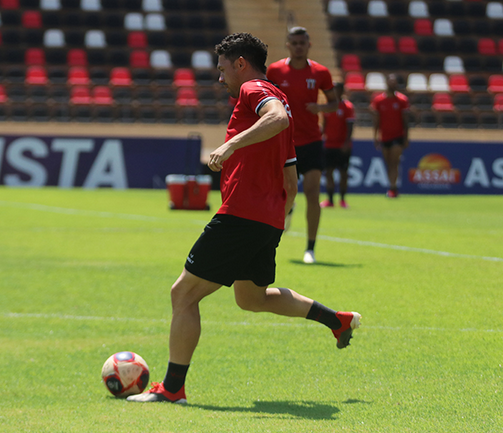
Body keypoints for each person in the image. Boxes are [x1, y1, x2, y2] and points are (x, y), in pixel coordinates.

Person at [127, 33, 361, 404]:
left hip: (241, 214)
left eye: (222, 70)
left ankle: (172, 389)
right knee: (251, 298)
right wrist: (278, 220)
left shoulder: (254, 90)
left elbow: (278, 118)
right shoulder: (274, 94)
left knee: (183, 294)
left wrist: (230, 144)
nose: (220, 79)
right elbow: (290, 176)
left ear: (240, 64)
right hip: (266, 218)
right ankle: (337, 320)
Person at [267, 26, 338, 264]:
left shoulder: (320, 72)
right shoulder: (275, 70)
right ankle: (273, 235)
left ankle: (310, 248)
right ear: (288, 44)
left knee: (312, 192)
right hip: (284, 140)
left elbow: (334, 103)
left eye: (302, 42)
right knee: (281, 192)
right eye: (294, 42)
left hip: (312, 141)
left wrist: (320, 108)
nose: (298, 46)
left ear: (309, 45)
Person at [369, 73, 410, 198]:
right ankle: (392, 186)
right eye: (390, 81)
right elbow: (377, 120)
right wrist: (375, 136)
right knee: (388, 163)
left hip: (397, 136)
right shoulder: (379, 100)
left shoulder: (402, 100)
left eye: (394, 82)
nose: (392, 84)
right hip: (384, 136)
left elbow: (405, 121)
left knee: (394, 162)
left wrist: (406, 137)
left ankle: (393, 188)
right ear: (386, 83)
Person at [320, 82, 355, 208]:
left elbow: (350, 126)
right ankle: (330, 200)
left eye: (337, 90)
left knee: (343, 173)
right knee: (328, 172)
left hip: (342, 146)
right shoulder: (327, 107)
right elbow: (325, 125)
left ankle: (343, 199)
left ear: (342, 91)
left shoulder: (347, 107)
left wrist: (346, 142)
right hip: (329, 145)